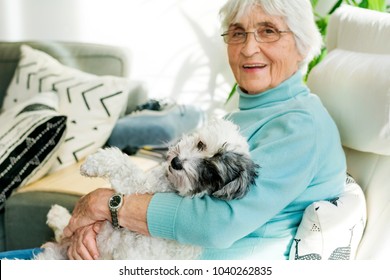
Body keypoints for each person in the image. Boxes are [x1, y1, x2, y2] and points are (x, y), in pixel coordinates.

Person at [63, 0, 346, 260]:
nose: (248, 48)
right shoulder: (242, 116)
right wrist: (100, 226)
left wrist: (109, 206)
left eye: (268, 31)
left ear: (302, 45)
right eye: (237, 33)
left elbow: (216, 225)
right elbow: (169, 188)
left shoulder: (300, 126)